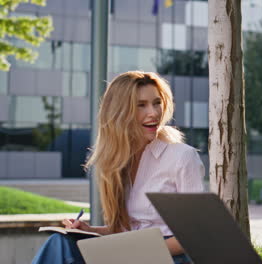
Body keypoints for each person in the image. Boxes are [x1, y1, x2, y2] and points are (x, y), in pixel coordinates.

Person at [32, 71, 205, 264]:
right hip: (129, 252)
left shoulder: (182, 156)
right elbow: (125, 230)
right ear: (120, 112)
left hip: (167, 256)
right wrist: (90, 231)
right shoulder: (117, 162)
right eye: (141, 105)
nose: (154, 112)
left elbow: (194, 236)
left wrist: (134, 252)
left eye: (157, 103)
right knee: (61, 242)